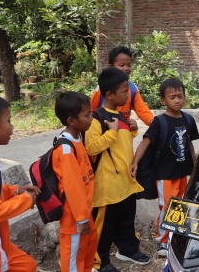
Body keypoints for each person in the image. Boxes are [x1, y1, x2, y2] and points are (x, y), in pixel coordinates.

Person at [85, 67, 150, 272]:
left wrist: (132, 129)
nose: (128, 94)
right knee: (104, 227)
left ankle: (128, 249)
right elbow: (90, 147)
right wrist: (111, 133)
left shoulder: (121, 116)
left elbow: (123, 142)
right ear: (110, 94)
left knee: (125, 221)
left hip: (125, 183)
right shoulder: (96, 118)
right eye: (124, 91)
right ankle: (100, 262)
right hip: (107, 187)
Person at [130, 78, 199, 257]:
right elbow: (145, 143)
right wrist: (135, 162)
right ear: (163, 100)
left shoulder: (188, 120)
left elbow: (189, 144)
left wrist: (194, 163)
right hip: (164, 173)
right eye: (172, 97)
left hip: (182, 172)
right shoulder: (159, 122)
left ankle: (176, 237)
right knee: (167, 206)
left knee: (181, 206)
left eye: (180, 96)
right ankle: (162, 240)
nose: (177, 100)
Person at [0, 94, 40, 272]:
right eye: (9, 120)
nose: (12, 126)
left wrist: (15, 191)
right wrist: (27, 200)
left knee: (27, 265)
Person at [53, 91, 97, 272]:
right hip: (75, 217)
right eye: (87, 115)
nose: (92, 118)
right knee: (73, 256)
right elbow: (72, 186)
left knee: (87, 248)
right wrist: (81, 218)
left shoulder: (78, 137)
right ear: (71, 121)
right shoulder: (65, 149)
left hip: (84, 212)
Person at [91, 46, 154, 127]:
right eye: (122, 65)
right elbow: (89, 112)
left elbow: (143, 111)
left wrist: (155, 125)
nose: (126, 68)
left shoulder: (133, 89)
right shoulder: (101, 89)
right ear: (111, 67)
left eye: (129, 65)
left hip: (124, 134)